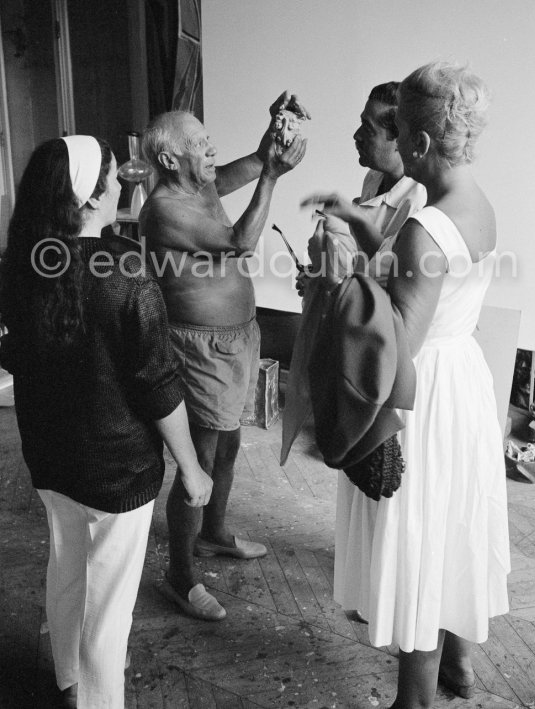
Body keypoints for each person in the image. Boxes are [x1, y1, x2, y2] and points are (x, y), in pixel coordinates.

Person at [302, 62, 510, 708]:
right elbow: (427, 272)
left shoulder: (424, 225)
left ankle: (411, 701)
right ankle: (454, 664)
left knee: (418, 544)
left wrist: (338, 283)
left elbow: (396, 337)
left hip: (422, 393)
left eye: (403, 134)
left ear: (418, 145)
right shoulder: (475, 203)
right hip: (462, 378)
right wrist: (365, 227)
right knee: (445, 531)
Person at [0, 136, 212, 709]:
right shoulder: (124, 272)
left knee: (67, 566)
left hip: (49, 458)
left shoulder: (23, 262)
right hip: (116, 473)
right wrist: (192, 467)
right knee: (109, 611)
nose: (123, 173)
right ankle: (97, 699)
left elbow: (14, 354)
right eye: (114, 173)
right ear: (93, 196)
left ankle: (67, 680)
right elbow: (157, 384)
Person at [139, 98, 307, 621]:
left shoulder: (199, 182)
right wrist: (274, 179)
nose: (210, 149)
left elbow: (254, 161)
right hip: (200, 348)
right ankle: (180, 577)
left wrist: (271, 136)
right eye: (198, 144)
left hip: (237, 338)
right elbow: (240, 242)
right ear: (170, 161)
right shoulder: (165, 208)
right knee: (202, 461)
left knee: (228, 446)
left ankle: (212, 534)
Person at [282, 83, 426, 464]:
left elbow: (391, 282)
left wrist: (332, 278)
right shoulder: (373, 181)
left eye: (368, 128)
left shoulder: (417, 202)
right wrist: (321, 274)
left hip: (386, 344)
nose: (356, 135)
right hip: (361, 323)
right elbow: (367, 258)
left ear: (400, 140)